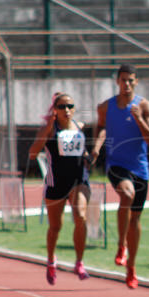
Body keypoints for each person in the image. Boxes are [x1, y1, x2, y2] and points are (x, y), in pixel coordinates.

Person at [90, 64, 149, 290]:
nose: (127, 84)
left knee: (136, 219)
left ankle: (131, 266)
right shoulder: (105, 107)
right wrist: (97, 147)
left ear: (136, 82)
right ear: (117, 82)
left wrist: (139, 119)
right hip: (116, 164)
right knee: (126, 195)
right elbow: (101, 129)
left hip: (140, 168)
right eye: (123, 80)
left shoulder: (144, 106)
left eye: (131, 80)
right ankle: (121, 245)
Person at [28, 92, 93, 286]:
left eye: (70, 106)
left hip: (79, 180)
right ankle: (51, 261)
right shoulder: (49, 129)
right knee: (56, 226)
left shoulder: (79, 127)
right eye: (62, 106)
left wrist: (89, 156)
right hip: (56, 183)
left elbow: (83, 150)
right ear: (55, 110)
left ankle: (79, 262)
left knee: (80, 216)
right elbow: (32, 154)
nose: (67, 110)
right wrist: (48, 127)